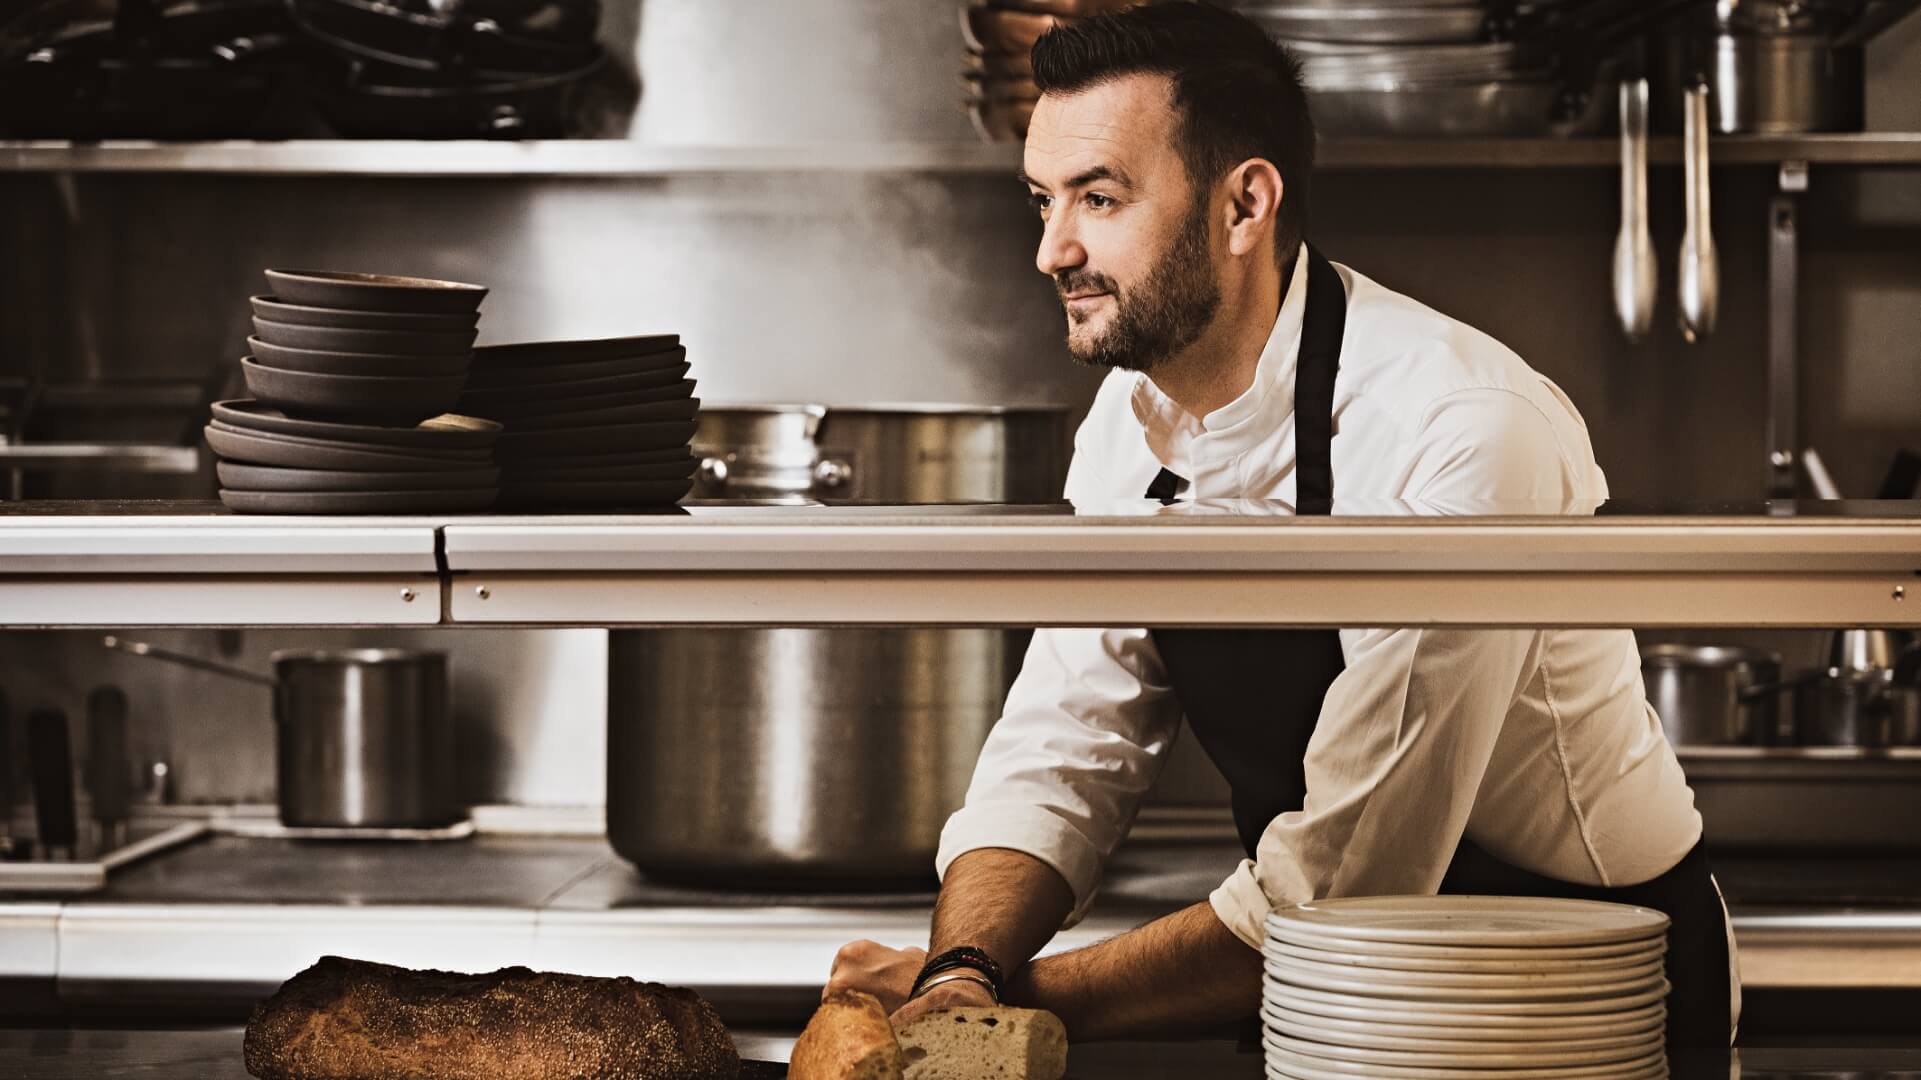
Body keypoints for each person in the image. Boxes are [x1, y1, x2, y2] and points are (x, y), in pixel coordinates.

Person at [827, 1, 1736, 1047]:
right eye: (1043, 200)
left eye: (1099, 198)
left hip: (1573, 982)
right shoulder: (1129, 422)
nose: (1051, 250)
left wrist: (1014, 1001)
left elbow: (1346, 877)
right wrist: (960, 970)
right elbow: (1066, 744)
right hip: (1329, 990)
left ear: (1244, 205)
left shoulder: (1462, 426)